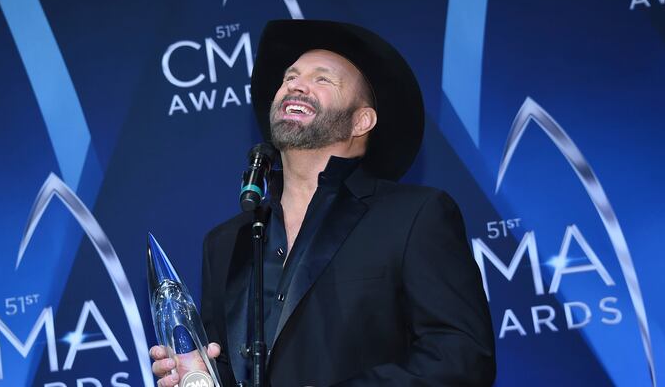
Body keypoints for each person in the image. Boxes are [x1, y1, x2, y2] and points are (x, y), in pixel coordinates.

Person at [151, 20, 496, 386]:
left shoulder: (414, 215)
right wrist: (199, 374)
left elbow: (463, 356)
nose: (295, 85)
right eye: (290, 77)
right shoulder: (225, 243)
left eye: (322, 79)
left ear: (361, 121)